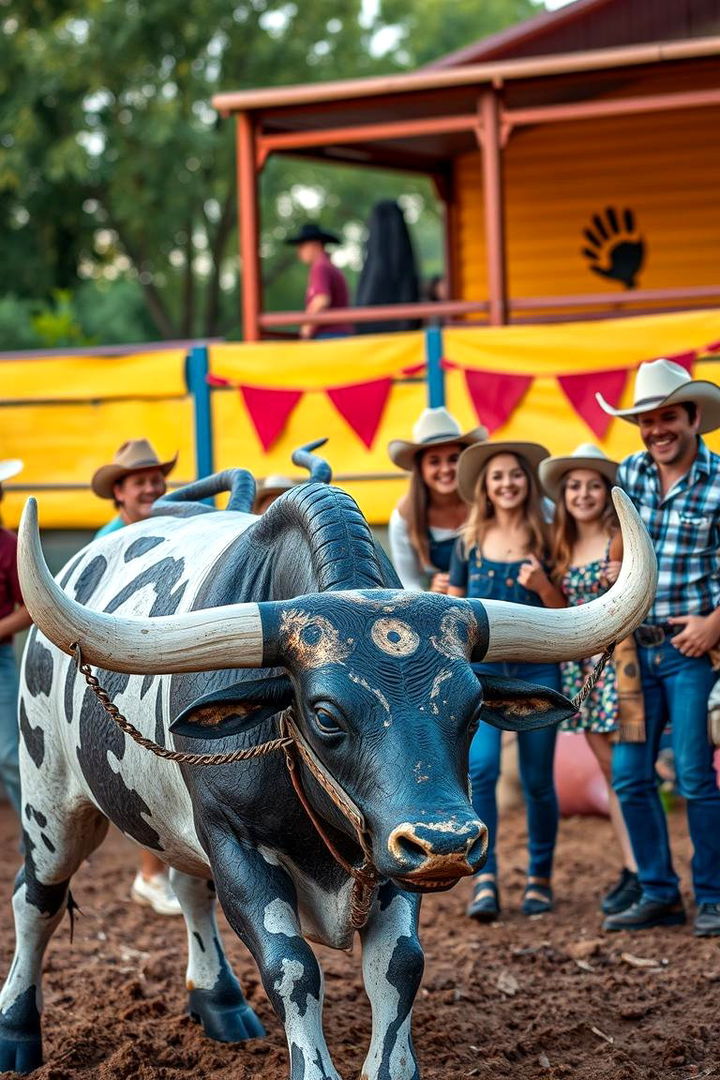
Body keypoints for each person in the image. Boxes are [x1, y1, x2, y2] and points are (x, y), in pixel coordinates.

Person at [596, 358, 720, 936]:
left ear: (693, 416)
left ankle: (713, 895)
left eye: (667, 416)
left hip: (691, 647)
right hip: (631, 650)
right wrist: (614, 568)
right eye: (646, 420)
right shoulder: (631, 473)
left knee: (694, 773)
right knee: (630, 776)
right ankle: (658, 890)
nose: (656, 430)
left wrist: (716, 623)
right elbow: (619, 541)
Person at [448, 442, 566, 921]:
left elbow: (564, 615)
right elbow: (450, 615)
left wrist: (541, 586)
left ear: (528, 482)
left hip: (538, 669)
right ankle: (487, 879)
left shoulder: (550, 536)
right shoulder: (468, 542)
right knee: (483, 771)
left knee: (538, 781)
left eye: (516, 475)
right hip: (482, 676)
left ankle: (540, 877)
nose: (508, 484)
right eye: (498, 477)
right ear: (486, 487)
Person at [539, 443, 641, 916]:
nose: (583, 494)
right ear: (563, 496)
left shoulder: (615, 539)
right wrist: (542, 587)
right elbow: (563, 615)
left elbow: (625, 604)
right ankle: (633, 865)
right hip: (581, 666)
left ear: (607, 492)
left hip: (617, 667)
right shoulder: (560, 544)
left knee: (626, 774)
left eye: (593, 485)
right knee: (611, 772)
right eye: (574, 486)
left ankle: (640, 867)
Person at [92, 439, 181, 916]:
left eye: (155, 478)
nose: (151, 487)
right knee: (148, 764)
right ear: (119, 493)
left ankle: (160, 872)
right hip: (123, 670)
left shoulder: (177, 527)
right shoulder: (105, 544)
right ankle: (151, 874)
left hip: (167, 658)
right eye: (139, 482)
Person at [387, 407, 487, 592]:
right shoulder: (404, 517)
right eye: (434, 461)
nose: (445, 469)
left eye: (453, 459)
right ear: (421, 468)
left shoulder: (488, 499)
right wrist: (431, 595)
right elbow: (407, 582)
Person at [0, 459, 32, 817]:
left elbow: (29, 608)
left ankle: (40, 841)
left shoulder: (9, 547)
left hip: (0, 662)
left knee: (10, 755)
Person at [284, 223, 353, 340]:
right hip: (338, 335)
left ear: (315, 245)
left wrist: (307, 327)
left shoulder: (320, 267)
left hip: (329, 335)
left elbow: (321, 299)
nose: (299, 252)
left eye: (302, 246)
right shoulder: (328, 266)